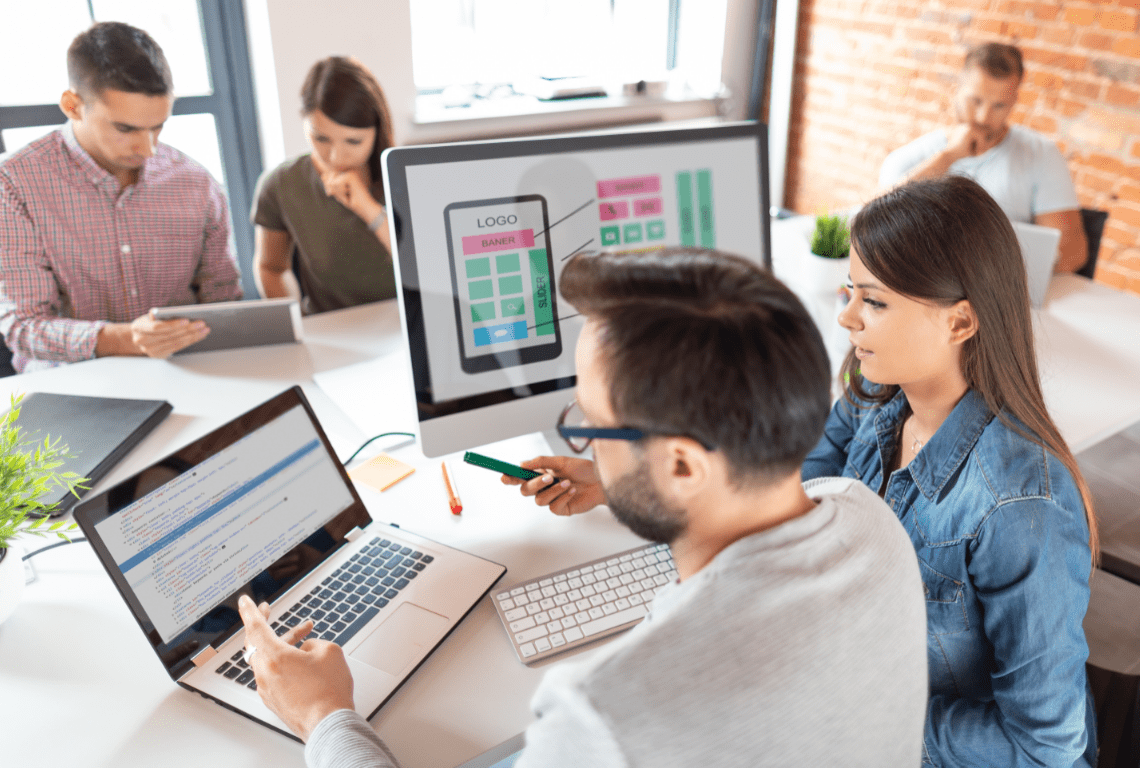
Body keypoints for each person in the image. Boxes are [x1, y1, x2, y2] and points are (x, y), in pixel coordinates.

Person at [237, 247, 929, 767]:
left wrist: (324, 714)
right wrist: (628, 480)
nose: (586, 447)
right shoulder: (870, 520)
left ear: (683, 465)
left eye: (591, 427)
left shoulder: (603, 716)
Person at [801, 175, 1098, 766]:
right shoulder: (879, 396)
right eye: (850, 292)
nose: (848, 319)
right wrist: (638, 487)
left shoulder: (1018, 506)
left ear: (960, 322)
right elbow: (797, 489)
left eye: (875, 301)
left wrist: (863, 714)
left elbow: (1045, 748)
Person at [0, 22, 242, 373]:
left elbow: (223, 299)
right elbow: (23, 327)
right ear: (72, 106)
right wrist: (126, 339)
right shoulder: (13, 184)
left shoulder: (196, 182)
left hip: (186, 374)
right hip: (71, 385)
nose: (148, 148)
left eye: (158, 126)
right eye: (125, 128)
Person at [878, 42, 1088, 274]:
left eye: (999, 105)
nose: (983, 117)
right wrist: (948, 157)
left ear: (1014, 102)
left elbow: (1072, 252)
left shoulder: (1041, 154)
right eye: (975, 101)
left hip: (1003, 291)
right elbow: (878, 220)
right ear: (957, 89)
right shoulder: (909, 158)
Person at [251, 57, 397, 314]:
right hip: (331, 331)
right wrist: (299, 323)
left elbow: (426, 271)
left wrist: (370, 210)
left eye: (353, 142)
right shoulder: (281, 184)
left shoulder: (403, 175)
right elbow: (270, 268)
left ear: (378, 130)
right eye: (321, 138)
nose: (335, 157)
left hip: (404, 324)